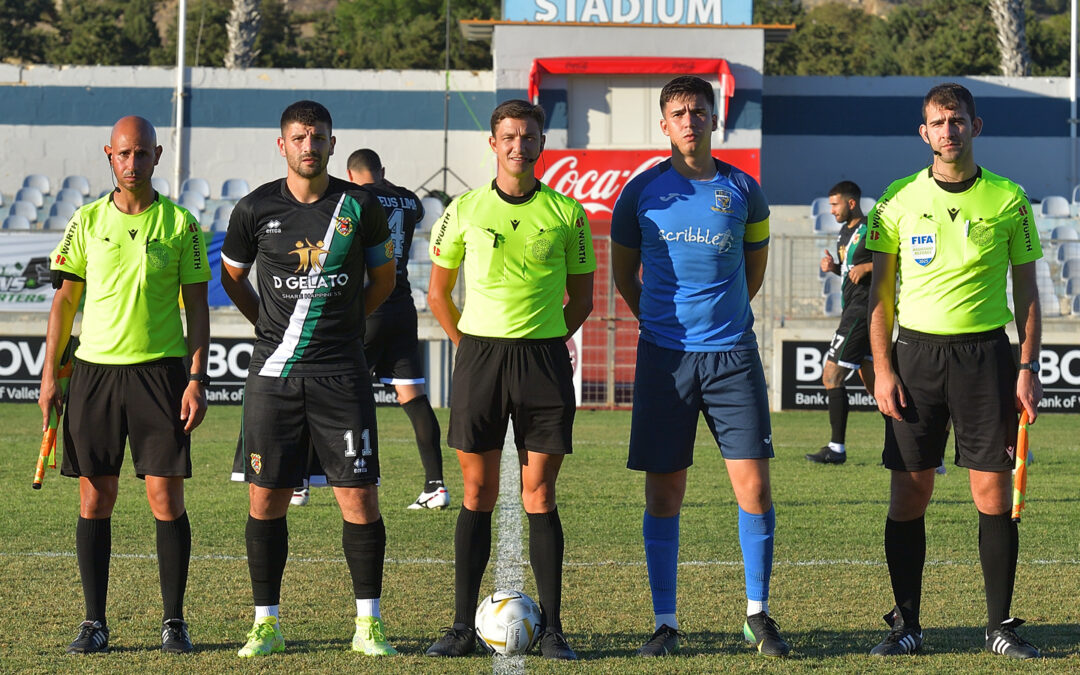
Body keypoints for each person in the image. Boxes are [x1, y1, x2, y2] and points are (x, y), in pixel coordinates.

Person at [611, 75, 790, 658]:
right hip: (665, 358)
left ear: (715, 120)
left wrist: (724, 321)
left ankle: (757, 615)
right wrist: (660, 324)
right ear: (663, 125)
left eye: (698, 110)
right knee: (664, 495)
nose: (689, 120)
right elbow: (623, 277)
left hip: (733, 356)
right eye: (678, 113)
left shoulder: (745, 190)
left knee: (755, 489)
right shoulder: (640, 194)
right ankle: (666, 622)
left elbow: (753, 270)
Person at [866, 83, 1042, 659]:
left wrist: (1026, 367)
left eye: (958, 120)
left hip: (986, 358)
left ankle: (999, 627)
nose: (948, 131)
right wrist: (884, 368)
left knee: (991, 495)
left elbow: (1028, 293)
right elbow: (880, 299)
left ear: (976, 126)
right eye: (938, 123)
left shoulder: (1009, 199)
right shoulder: (895, 199)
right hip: (915, 358)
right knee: (909, 494)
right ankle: (907, 625)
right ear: (924, 133)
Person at [219, 100, 399, 658]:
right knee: (265, 497)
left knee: (359, 498)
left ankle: (368, 624)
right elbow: (232, 275)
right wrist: (268, 326)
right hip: (273, 373)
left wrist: (342, 327)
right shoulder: (253, 209)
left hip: (341, 373)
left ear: (332, 142)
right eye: (298, 137)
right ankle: (265, 622)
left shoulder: (360, 206)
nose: (308, 145)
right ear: (282, 145)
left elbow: (384, 281)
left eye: (317, 136)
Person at [424, 99, 595, 660]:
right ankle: (459, 628)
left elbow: (584, 299)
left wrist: (547, 340)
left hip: (543, 362)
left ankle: (554, 631)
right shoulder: (464, 209)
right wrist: (466, 347)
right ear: (493, 144)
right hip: (479, 361)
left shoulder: (569, 213)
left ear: (541, 143)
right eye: (508, 137)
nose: (518, 145)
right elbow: (438, 294)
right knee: (476, 492)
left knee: (539, 494)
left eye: (527, 136)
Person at [39, 115, 210, 655]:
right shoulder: (85, 221)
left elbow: (199, 310)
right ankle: (94, 622)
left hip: (160, 373)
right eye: (123, 154)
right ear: (108, 156)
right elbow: (64, 302)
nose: (132, 163)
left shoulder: (181, 224)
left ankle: (174, 622)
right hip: (93, 374)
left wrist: (196, 378)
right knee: (96, 499)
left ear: (157, 156)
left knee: (164, 498)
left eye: (141, 154)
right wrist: (50, 376)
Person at [346, 148, 449, 510]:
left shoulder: (354, 198)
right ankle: (435, 485)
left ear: (350, 172)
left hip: (367, 305)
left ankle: (304, 484)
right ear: (383, 169)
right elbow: (417, 210)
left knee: (335, 391)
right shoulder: (408, 199)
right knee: (414, 397)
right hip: (403, 305)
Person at [807, 181, 874, 464]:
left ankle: (836, 449)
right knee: (877, 385)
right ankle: (904, 446)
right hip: (856, 310)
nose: (831, 210)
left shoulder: (872, 229)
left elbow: (897, 259)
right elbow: (851, 273)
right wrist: (835, 268)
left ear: (851, 203)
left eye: (835, 205)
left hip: (862, 311)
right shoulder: (844, 233)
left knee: (831, 376)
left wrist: (868, 266)